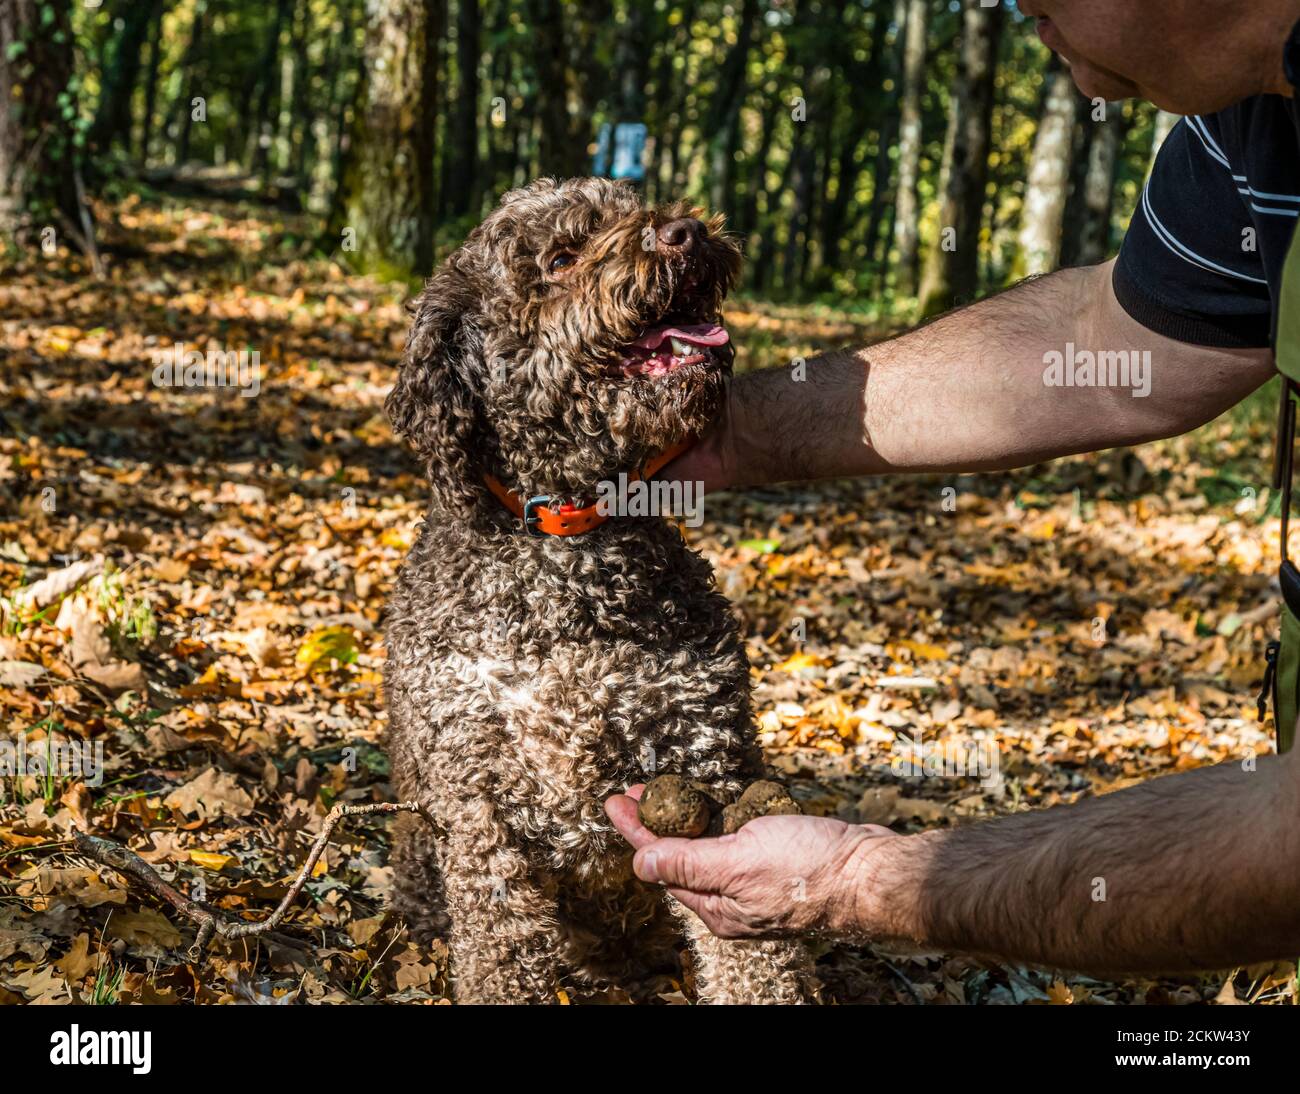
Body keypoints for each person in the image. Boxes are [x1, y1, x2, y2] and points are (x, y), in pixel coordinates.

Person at [605, 0, 1300, 974]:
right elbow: (1111, 347)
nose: (1016, 12)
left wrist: (855, 876)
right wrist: (735, 432)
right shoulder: (1249, 114)